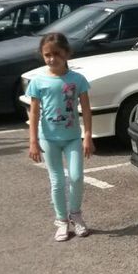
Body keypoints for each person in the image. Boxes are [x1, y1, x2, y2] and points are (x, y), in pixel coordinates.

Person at [26, 33, 94, 242]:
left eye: (56, 54)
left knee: (76, 177)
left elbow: (86, 109)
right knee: (57, 182)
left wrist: (87, 136)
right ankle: (61, 220)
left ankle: (76, 214)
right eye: (47, 55)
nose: (52, 58)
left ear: (67, 53)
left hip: (72, 137)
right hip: (48, 139)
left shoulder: (77, 80)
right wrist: (33, 141)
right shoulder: (38, 81)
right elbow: (34, 113)